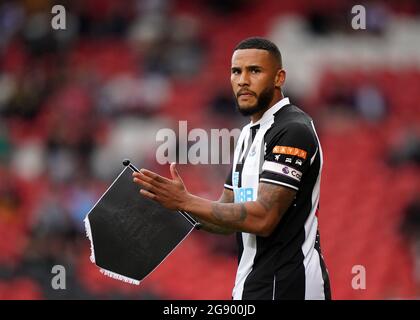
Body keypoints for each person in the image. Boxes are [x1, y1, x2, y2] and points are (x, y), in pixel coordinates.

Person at [132, 37, 331, 300]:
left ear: (279, 77)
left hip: (289, 287)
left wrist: (186, 200)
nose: (243, 80)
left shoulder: (292, 129)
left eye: (255, 71)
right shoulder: (247, 135)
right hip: (252, 286)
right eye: (236, 71)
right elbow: (226, 219)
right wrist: (174, 204)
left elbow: (263, 218)